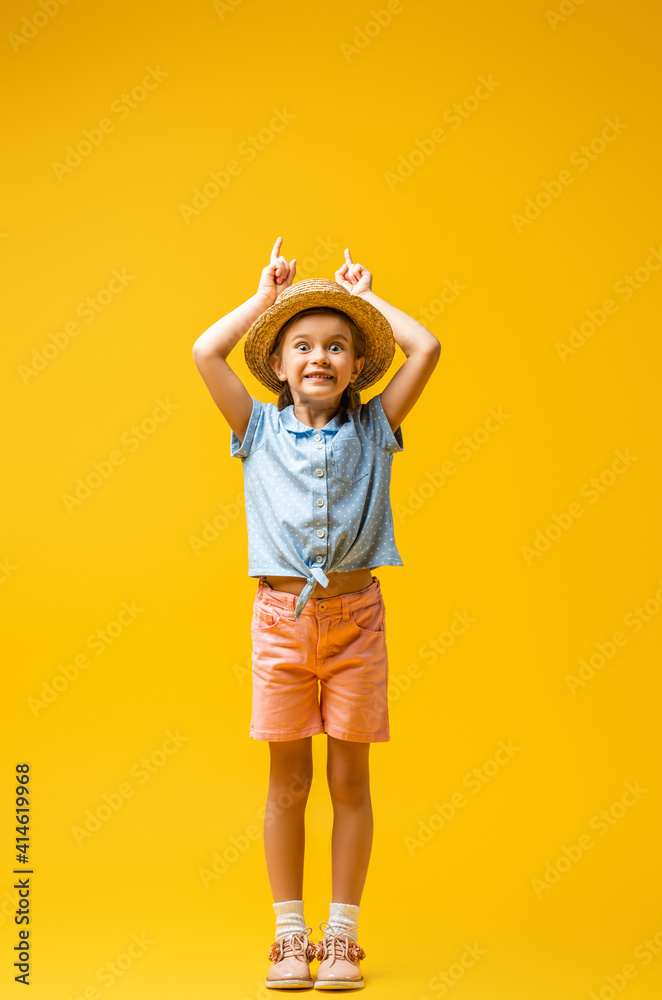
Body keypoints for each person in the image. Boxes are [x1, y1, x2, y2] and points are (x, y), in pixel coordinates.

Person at [192, 237, 440, 990]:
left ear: (359, 366)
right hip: (281, 626)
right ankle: (290, 937)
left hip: (357, 621)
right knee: (288, 783)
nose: (320, 358)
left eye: (338, 346)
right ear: (277, 364)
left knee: (351, 782)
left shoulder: (375, 428)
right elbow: (206, 352)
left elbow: (425, 346)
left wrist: (367, 302)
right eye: (302, 346)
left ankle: (341, 938)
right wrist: (267, 301)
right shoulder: (256, 430)